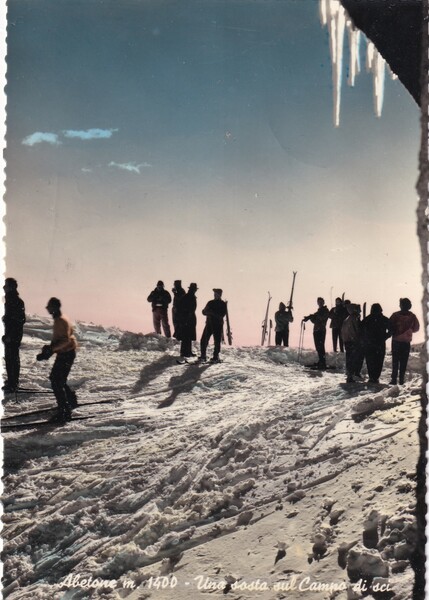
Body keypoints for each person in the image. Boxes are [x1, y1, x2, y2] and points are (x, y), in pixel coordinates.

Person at [36, 298, 78, 424]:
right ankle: (70, 400)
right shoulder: (60, 319)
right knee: (58, 379)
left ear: (54, 307)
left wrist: (51, 349)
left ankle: (64, 412)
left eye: (49, 306)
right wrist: (49, 350)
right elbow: (62, 339)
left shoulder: (60, 320)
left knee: (56, 380)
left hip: (66, 353)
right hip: (66, 353)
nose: (47, 308)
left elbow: (65, 340)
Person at [2, 278, 26, 392]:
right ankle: (11, 381)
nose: (3, 288)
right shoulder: (11, 300)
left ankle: (13, 382)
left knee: (12, 358)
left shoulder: (16, 301)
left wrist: (10, 335)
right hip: (10, 334)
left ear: (11, 287)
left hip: (13, 335)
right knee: (9, 358)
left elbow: (19, 320)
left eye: (6, 286)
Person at [389, 298, 420, 385]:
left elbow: (389, 325)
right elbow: (417, 328)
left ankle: (394, 379)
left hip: (396, 341)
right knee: (403, 361)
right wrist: (409, 331)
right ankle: (401, 379)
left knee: (395, 361)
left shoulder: (395, 315)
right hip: (406, 342)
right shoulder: (412, 316)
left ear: (401, 305)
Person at [361, 303, 392, 384]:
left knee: (370, 361)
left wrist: (365, 338)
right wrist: (385, 337)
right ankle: (375, 377)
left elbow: (360, 329)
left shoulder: (368, 319)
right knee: (379, 361)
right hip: (380, 344)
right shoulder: (384, 319)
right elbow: (391, 330)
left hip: (369, 343)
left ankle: (372, 377)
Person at [199, 289, 227, 363]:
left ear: (219, 295)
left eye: (216, 294)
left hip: (217, 325)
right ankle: (203, 355)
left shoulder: (222, 304)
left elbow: (222, 315)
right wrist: (206, 311)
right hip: (209, 324)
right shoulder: (210, 302)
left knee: (217, 341)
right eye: (214, 294)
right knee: (204, 339)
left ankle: (215, 356)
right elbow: (204, 312)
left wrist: (211, 313)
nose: (215, 295)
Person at [303, 297, 329, 369]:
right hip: (316, 330)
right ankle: (321, 361)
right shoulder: (318, 311)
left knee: (321, 346)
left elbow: (321, 318)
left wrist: (312, 316)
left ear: (323, 302)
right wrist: (309, 317)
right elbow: (314, 321)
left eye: (321, 302)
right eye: (319, 302)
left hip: (321, 330)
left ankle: (322, 362)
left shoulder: (325, 310)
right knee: (318, 347)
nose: (320, 303)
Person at [176, 283, 198, 358]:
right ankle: (185, 352)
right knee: (186, 336)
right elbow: (182, 308)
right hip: (187, 319)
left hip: (189, 319)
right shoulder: (188, 297)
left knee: (188, 336)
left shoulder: (188, 296)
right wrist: (184, 318)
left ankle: (187, 352)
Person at [341, 303, 362, 383]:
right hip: (353, 341)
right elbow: (357, 329)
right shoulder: (354, 318)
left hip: (347, 341)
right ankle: (351, 375)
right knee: (353, 359)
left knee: (349, 358)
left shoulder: (347, 319)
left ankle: (350, 375)